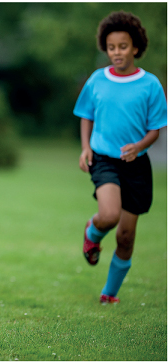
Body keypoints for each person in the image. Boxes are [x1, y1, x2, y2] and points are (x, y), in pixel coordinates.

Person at [74, 11, 166, 304]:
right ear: (106, 47)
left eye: (123, 47)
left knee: (126, 237)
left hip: (136, 164)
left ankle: (109, 294)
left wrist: (139, 146)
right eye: (112, 47)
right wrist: (86, 147)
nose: (117, 53)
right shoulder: (97, 80)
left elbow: (156, 129)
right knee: (110, 215)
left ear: (135, 47)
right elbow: (86, 115)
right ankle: (93, 232)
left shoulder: (150, 84)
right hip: (104, 160)